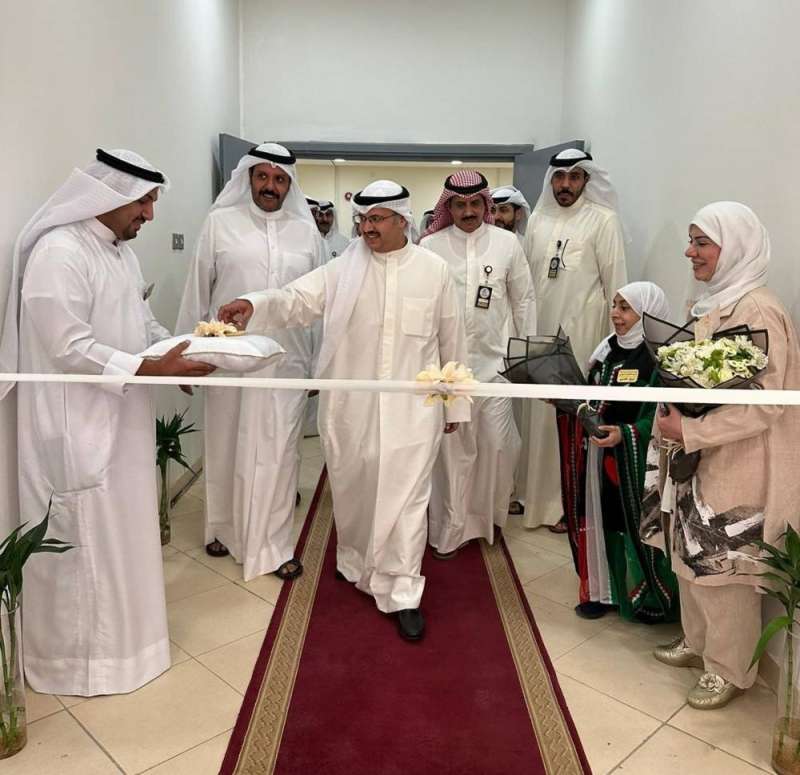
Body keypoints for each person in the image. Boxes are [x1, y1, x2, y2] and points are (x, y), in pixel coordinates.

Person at [1, 148, 215, 696]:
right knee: (82, 543)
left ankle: (132, 652)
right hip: (74, 426)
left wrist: (177, 356)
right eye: (144, 202)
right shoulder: (58, 252)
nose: (150, 214)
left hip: (123, 419)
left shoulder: (121, 254)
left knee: (122, 539)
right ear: (111, 195)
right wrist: (152, 369)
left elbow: (142, 324)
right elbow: (68, 346)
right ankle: (78, 668)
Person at [217, 180, 469, 641]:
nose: (367, 228)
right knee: (354, 491)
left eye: (377, 219)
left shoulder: (434, 271)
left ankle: (402, 590)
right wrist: (253, 304)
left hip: (413, 412)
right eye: (363, 219)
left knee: (407, 501)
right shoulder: (342, 270)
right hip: (350, 409)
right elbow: (295, 300)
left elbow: (453, 341)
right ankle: (353, 562)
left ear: (401, 220)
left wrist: (456, 407)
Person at [649, 202, 800, 709]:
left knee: (722, 563)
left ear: (735, 247)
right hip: (699, 454)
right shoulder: (713, 302)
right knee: (689, 553)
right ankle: (698, 642)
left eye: (701, 243)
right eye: (691, 241)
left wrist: (692, 429)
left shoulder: (758, 310)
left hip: (738, 460)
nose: (689, 252)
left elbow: (767, 403)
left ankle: (729, 669)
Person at [176, 143, 325, 581]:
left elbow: (321, 304)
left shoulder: (307, 234)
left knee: (280, 454)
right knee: (224, 444)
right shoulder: (220, 223)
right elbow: (196, 290)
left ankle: (273, 545)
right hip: (228, 357)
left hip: (287, 362)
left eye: (279, 179)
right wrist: (185, 351)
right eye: (262, 177)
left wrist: (319, 364)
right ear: (248, 178)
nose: (270, 186)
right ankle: (220, 528)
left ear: (290, 185)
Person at [421, 170, 535, 557]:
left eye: (474, 204)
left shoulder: (507, 244)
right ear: (448, 206)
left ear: (485, 204)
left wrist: (524, 358)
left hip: (497, 367)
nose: (467, 211)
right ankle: (450, 528)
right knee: (453, 454)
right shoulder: (431, 246)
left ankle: (488, 521)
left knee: (498, 447)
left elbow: (524, 301)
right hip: (447, 371)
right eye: (459, 204)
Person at [515, 149, 628, 531]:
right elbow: (526, 286)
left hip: (583, 336)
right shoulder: (539, 219)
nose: (565, 185)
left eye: (574, 177)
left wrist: (611, 344)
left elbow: (616, 283)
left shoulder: (604, 220)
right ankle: (532, 495)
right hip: (541, 334)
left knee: (571, 418)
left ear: (587, 180)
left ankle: (568, 504)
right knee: (539, 417)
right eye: (559, 177)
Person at [558, 281, 678, 622]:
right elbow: (592, 395)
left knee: (633, 526)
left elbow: (661, 415)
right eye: (614, 305)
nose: (615, 314)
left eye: (625, 308)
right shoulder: (607, 351)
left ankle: (647, 597)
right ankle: (603, 592)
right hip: (598, 455)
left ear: (647, 313)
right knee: (601, 521)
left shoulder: (658, 358)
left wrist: (626, 434)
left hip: (634, 462)